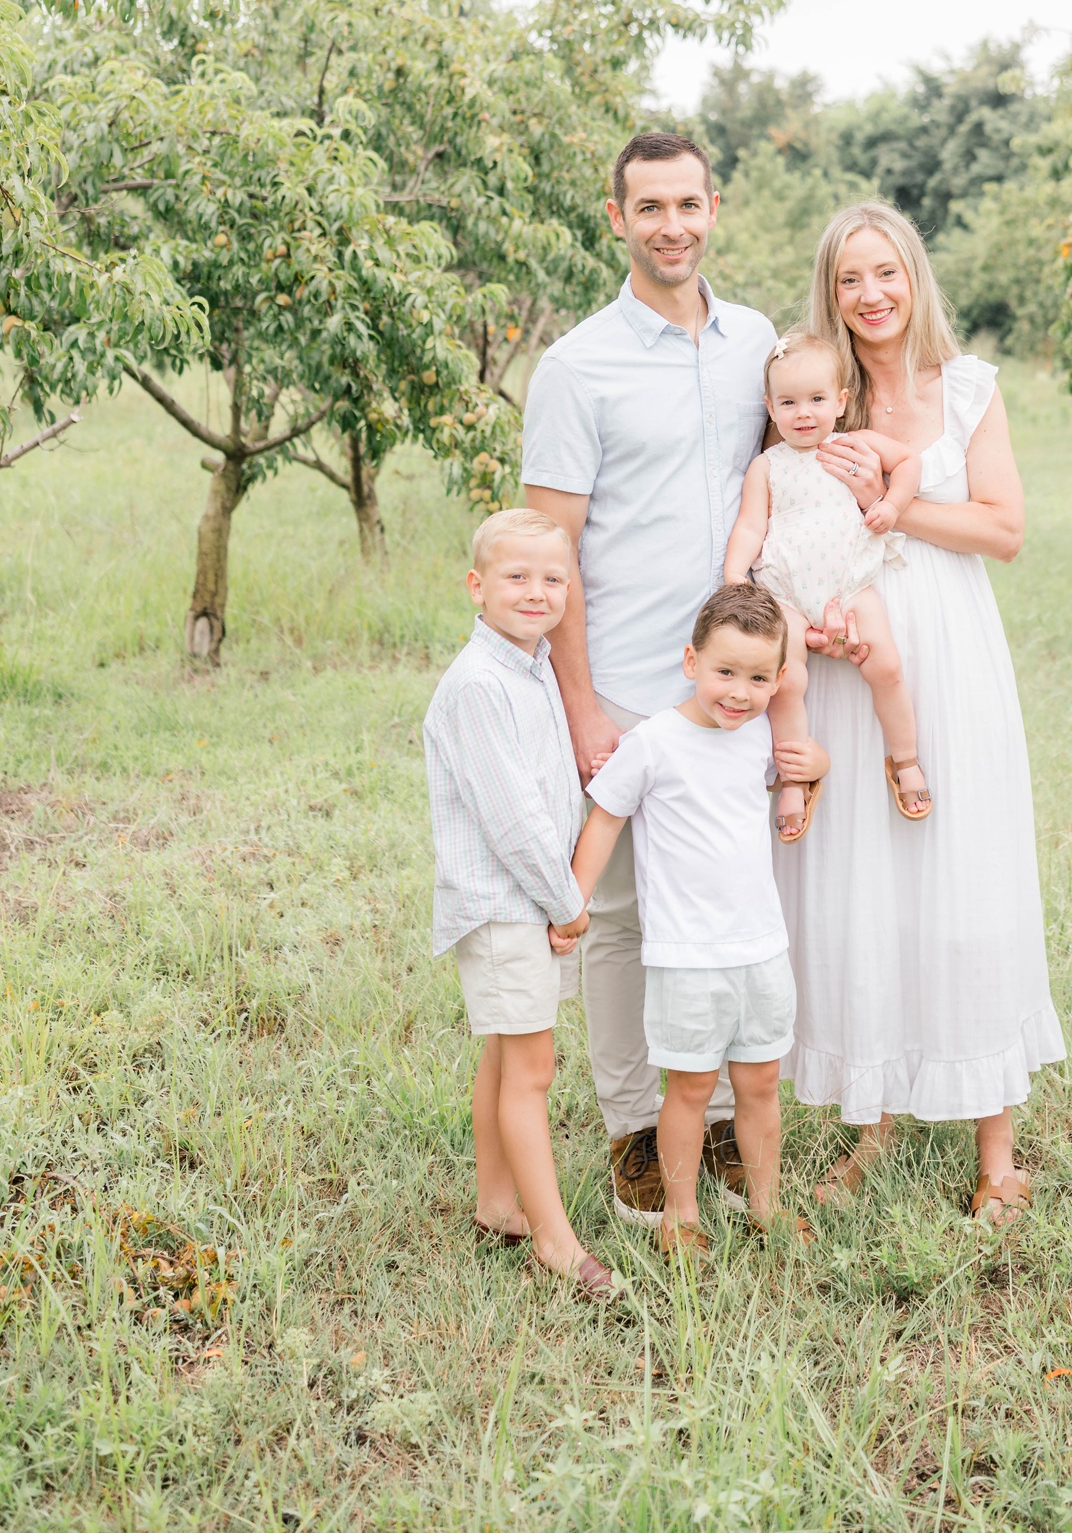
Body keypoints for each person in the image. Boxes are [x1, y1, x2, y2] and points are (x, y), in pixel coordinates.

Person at [521, 130, 824, 1225]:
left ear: (713, 207)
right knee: (618, 915)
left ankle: (730, 1122)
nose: (672, 225)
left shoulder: (754, 341)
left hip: (734, 682)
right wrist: (581, 702)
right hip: (628, 686)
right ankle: (635, 1128)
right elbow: (549, 550)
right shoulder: (575, 365)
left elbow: (799, 452)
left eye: (688, 203)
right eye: (649, 206)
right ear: (616, 218)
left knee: (729, 894)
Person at [774, 202, 1066, 1225]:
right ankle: (874, 1120)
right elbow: (773, 513)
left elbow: (1003, 528)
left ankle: (996, 1148)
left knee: (964, 869)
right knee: (862, 878)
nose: (869, 293)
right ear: (831, 290)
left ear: (913, 277)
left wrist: (896, 509)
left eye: (885, 271)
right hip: (850, 658)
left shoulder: (967, 386)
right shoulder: (817, 394)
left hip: (947, 644)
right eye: (850, 276)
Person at [570, 583, 823, 1257]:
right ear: (691, 660)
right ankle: (681, 1213)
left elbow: (798, 771)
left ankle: (765, 1202)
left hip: (761, 948)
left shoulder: (759, 737)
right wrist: (574, 899)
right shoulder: (654, 742)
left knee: (761, 1083)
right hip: (686, 956)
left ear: (776, 678)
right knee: (688, 1088)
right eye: (725, 672)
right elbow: (604, 820)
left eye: (758, 677)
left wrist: (816, 764)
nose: (739, 691)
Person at [421, 507, 614, 1300]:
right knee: (533, 1067)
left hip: (528, 899)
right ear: (477, 585)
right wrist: (567, 899)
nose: (536, 592)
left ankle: (498, 1201)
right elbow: (513, 818)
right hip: (509, 902)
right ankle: (554, 1238)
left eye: (553, 578)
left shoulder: (530, 669)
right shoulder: (478, 685)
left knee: (507, 1053)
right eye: (516, 576)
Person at [724, 329, 929, 841]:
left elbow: (909, 461)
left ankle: (905, 760)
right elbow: (751, 526)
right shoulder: (766, 466)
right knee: (785, 682)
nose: (804, 413)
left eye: (817, 400)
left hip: (849, 583)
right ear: (770, 408)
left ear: (840, 402)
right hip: (786, 592)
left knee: (887, 666)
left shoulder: (852, 446)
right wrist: (734, 577)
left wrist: (891, 503)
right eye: (789, 402)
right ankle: (795, 776)